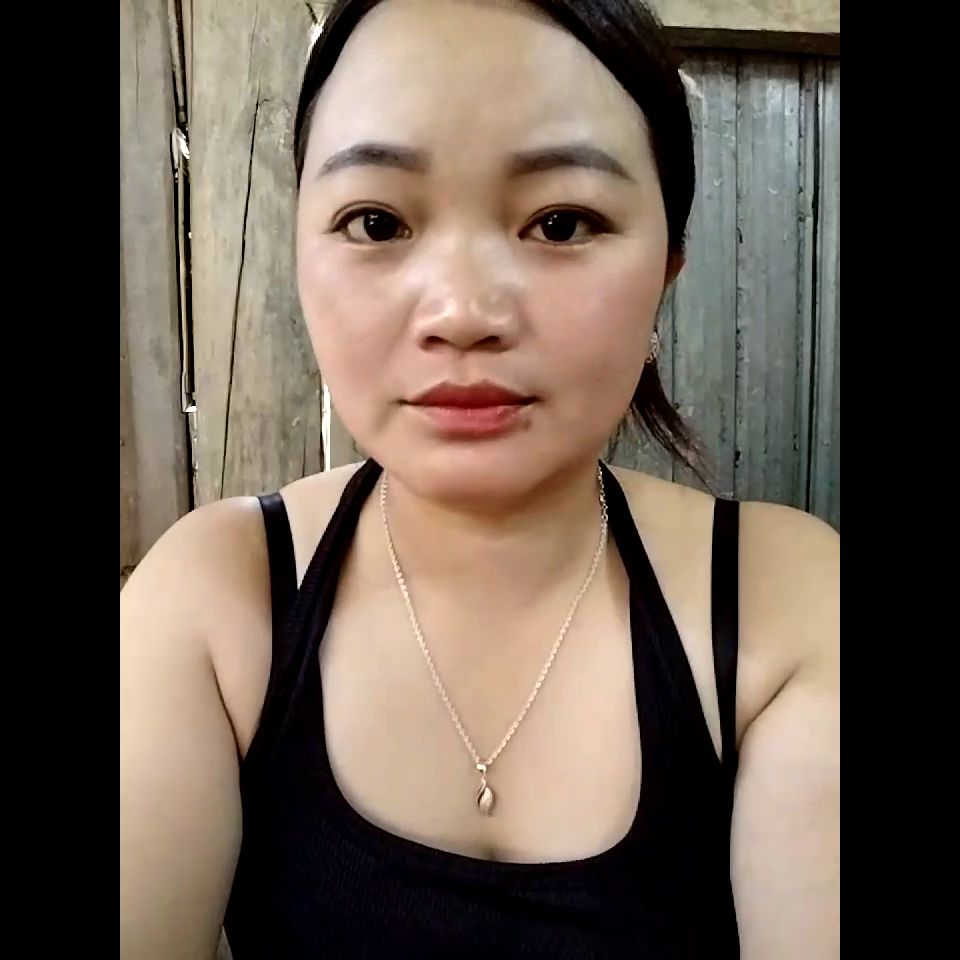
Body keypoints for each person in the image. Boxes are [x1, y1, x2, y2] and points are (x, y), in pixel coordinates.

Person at [119, 1, 840, 957]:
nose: (461, 312)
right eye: (377, 221)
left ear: (667, 266)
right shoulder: (212, 602)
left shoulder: (785, 602)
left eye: (561, 222)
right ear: (298, 255)